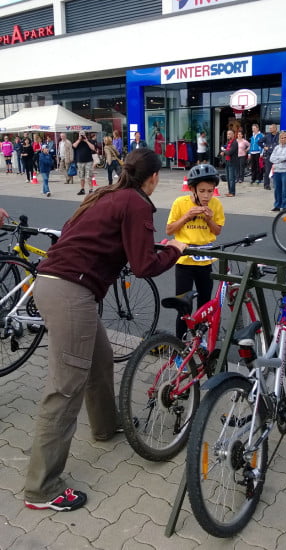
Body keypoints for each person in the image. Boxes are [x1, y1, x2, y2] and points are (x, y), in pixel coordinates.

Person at [23, 148, 186, 512]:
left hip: (55, 282)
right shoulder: (136, 202)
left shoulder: (107, 194)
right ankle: (42, 488)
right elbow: (143, 265)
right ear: (154, 177)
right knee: (65, 388)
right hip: (71, 291)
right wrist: (176, 248)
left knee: (101, 357)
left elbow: (84, 235)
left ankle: (104, 426)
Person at [166, 164, 225, 339]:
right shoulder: (180, 203)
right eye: (202, 191)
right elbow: (169, 230)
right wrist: (187, 216)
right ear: (192, 189)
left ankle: (199, 341)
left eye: (210, 190)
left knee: (204, 305)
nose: (207, 196)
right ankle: (181, 343)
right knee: (183, 307)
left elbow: (217, 231)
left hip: (205, 261)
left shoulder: (216, 204)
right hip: (184, 261)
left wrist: (209, 219)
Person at [269, 130, 286, 211]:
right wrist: (280, 159)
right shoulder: (277, 147)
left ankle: (285, 206)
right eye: (281, 138)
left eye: (285, 137)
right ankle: (277, 205)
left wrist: (278, 158)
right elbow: (271, 159)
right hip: (277, 171)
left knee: (285, 189)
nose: (283, 139)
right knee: (277, 189)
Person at [73, 131, 96, 195]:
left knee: (89, 176)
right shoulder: (77, 142)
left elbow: (93, 148)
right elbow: (74, 146)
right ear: (79, 135)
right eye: (81, 135)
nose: (82, 136)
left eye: (83, 135)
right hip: (80, 161)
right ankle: (82, 189)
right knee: (81, 176)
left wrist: (86, 141)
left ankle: (91, 189)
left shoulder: (90, 141)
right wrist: (79, 140)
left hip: (88, 161)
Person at [258, 124, 279, 190]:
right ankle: (266, 185)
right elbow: (259, 142)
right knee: (267, 170)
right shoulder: (267, 136)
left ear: (275, 128)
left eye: (272, 128)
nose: (270, 129)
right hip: (269, 155)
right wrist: (264, 147)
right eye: (270, 128)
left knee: (277, 170)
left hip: (277, 155)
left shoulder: (279, 135)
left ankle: (277, 185)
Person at [221, 129, 238, 196]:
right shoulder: (228, 142)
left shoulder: (234, 143)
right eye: (227, 134)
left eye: (229, 134)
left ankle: (232, 192)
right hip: (227, 161)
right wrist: (224, 152)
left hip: (232, 162)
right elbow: (227, 152)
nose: (228, 135)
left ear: (233, 135)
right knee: (228, 178)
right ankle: (229, 191)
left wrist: (224, 151)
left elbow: (230, 152)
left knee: (231, 178)